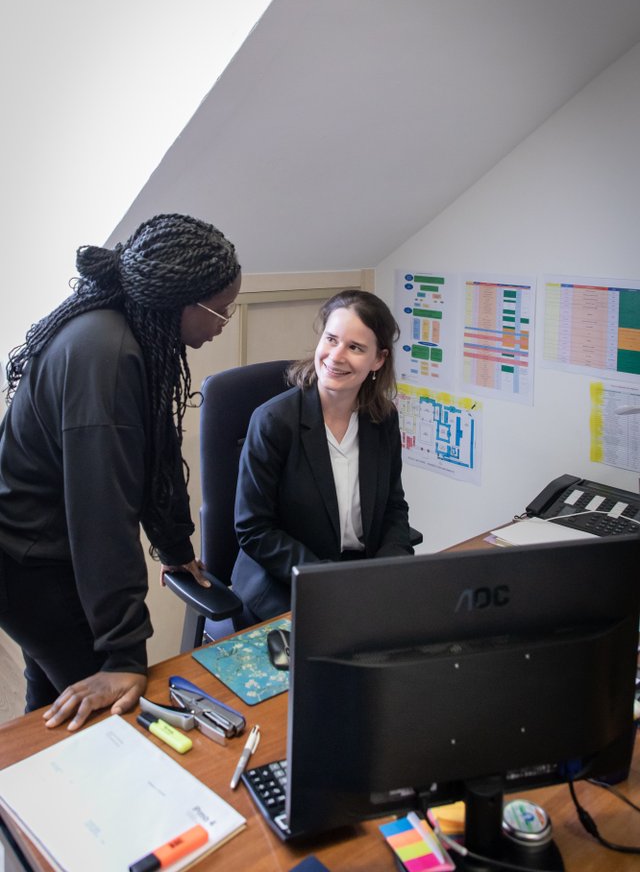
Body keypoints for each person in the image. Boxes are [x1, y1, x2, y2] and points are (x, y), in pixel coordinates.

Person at [0, 213, 241, 729]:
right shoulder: (105, 356)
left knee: (51, 708)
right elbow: (102, 516)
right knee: (102, 717)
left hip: (43, 546)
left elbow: (156, 453)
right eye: (219, 311)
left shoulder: (133, 330)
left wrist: (177, 550)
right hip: (28, 560)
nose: (223, 324)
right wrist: (125, 657)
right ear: (179, 300)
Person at [232, 289, 413, 621]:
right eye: (331, 339)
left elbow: (393, 508)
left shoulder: (382, 419)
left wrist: (392, 568)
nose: (337, 355)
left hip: (359, 579)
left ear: (378, 360)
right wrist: (327, 581)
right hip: (285, 585)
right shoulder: (274, 422)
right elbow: (253, 528)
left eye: (355, 347)